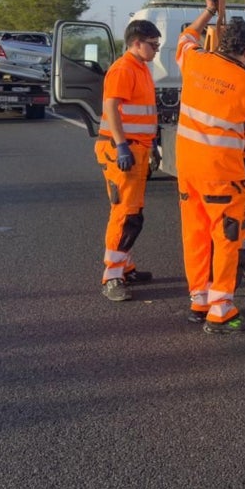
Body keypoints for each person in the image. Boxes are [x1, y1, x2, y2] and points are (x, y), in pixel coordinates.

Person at [176, 0, 245, 334]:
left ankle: (199, 301)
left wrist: (209, 11)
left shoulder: (194, 61)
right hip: (222, 176)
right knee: (225, 238)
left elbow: (186, 37)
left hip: (187, 170)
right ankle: (221, 310)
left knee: (195, 235)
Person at [97, 19, 161, 302]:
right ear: (136, 42)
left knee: (132, 212)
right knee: (125, 215)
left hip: (137, 149)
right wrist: (122, 146)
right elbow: (111, 105)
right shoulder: (124, 69)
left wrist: (152, 145)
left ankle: (125, 267)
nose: (157, 50)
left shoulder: (141, 68)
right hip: (123, 150)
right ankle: (112, 276)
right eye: (153, 45)